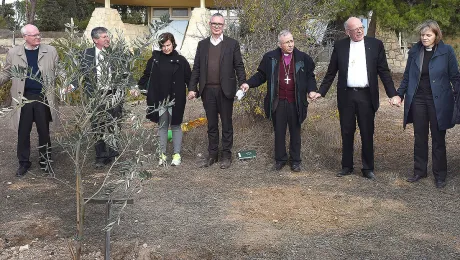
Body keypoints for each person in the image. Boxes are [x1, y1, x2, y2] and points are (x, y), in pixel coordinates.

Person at [312, 17, 399, 180]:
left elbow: (384, 72)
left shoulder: (375, 45)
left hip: (367, 95)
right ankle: (347, 166)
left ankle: (368, 168)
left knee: (367, 132)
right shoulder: (340, 46)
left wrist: (393, 94)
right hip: (347, 96)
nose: (359, 31)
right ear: (347, 32)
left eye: (361, 27)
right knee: (346, 131)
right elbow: (331, 72)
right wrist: (321, 91)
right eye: (355, 29)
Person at [393, 20, 460, 188]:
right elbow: (407, 76)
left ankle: (440, 175)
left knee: (438, 139)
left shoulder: (447, 51)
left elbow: (455, 77)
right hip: (418, 100)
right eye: (422, 35)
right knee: (419, 137)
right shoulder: (415, 51)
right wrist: (399, 95)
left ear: (436, 35)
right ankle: (419, 171)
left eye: (428, 35)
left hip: (440, 101)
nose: (424, 38)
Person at [240, 30, 318, 171]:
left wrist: (312, 90)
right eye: (287, 42)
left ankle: (295, 161)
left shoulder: (303, 58)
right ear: (279, 44)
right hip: (278, 101)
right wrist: (248, 84)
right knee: (279, 131)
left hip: (296, 102)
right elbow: (261, 75)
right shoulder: (270, 57)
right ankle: (280, 159)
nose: (290, 44)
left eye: (292, 41)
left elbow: (310, 77)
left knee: (295, 131)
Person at [188, 13, 246, 169]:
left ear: (224, 26)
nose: (217, 26)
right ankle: (212, 154)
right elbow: (197, 68)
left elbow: (239, 65)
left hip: (225, 91)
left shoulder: (232, 44)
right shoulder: (202, 45)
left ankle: (226, 156)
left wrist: (243, 82)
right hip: (208, 91)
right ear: (210, 24)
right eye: (214, 23)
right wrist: (192, 88)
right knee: (212, 125)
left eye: (220, 24)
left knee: (227, 124)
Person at [0, 24, 58, 177]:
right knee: (23, 132)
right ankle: (24, 162)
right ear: (25, 37)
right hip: (22, 99)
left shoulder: (50, 51)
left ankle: (45, 162)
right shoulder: (14, 53)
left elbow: (60, 70)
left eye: (39, 34)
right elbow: (6, 73)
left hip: (42, 97)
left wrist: (69, 83)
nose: (38, 37)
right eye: (34, 35)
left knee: (44, 132)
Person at [131, 33, 191, 166]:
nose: (166, 48)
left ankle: (177, 155)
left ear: (173, 44)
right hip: (159, 100)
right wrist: (137, 87)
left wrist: (192, 90)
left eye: (168, 45)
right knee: (163, 126)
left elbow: (189, 78)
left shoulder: (181, 60)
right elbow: (146, 76)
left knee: (175, 126)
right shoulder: (154, 60)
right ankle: (162, 154)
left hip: (176, 99)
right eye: (163, 46)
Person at [70, 27, 122, 168]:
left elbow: (125, 72)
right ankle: (100, 156)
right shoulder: (86, 54)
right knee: (97, 126)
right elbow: (79, 73)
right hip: (95, 95)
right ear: (95, 40)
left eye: (107, 36)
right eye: (104, 37)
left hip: (113, 95)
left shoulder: (116, 53)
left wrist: (132, 86)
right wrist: (72, 86)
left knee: (113, 125)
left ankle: (113, 155)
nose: (107, 39)